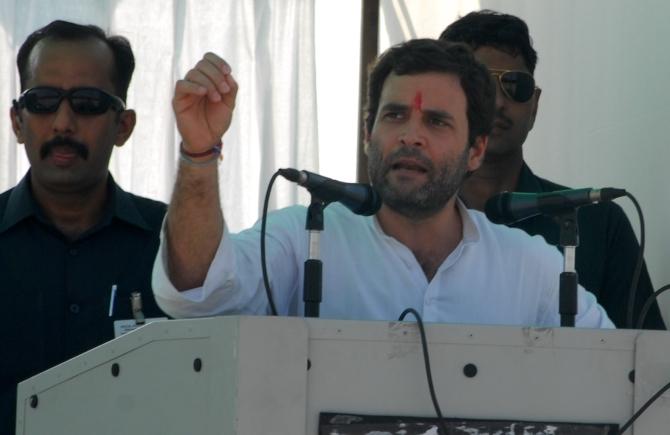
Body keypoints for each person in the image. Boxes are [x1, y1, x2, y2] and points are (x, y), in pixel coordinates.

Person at [152, 38, 612, 331]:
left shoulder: (530, 266)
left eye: (435, 121)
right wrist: (199, 151)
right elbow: (197, 292)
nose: (410, 135)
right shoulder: (303, 238)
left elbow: (619, 375)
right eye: (395, 116)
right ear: (368, 132)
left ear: (476, 150)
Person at [439, 10, 664, 330]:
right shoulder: (406, 221)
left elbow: (645, 369)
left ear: (535, 104)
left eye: (515, 85)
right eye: (482, 85)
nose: (499, 103)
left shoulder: (596, 223)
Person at [0, 21, 168, 433]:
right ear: (18, 121)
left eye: (88, 102)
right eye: (42, 101)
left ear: (124, 126)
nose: (62, 123)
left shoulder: (173, 241)